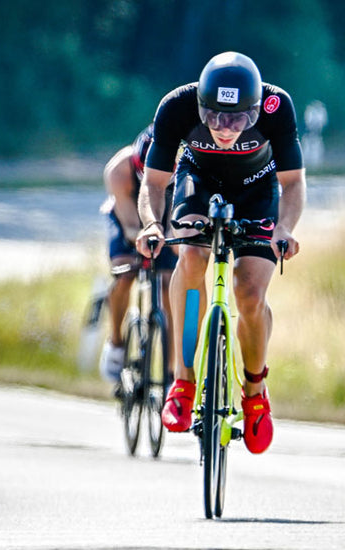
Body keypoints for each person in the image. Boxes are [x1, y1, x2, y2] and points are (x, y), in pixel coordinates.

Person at [136, 51, 305, 454]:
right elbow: (154, 184)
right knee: (192, 258)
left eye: (239, 119)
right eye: (214, 118)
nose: (226, 129)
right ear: (200, 106)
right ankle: (184, 380)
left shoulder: (276, 106)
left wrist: (284, 228)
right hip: (198, 182)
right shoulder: (176, 105)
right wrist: (152, 224)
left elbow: (294, 184)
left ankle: (255, 393)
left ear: (255, 108)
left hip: (257, 192)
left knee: (249, 293)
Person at [98, 125, 178, 382]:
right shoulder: (119, 171)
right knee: (125, 273)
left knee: (170, 286)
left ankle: (172, 373)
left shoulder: (182, 169)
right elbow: (131, 225)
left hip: (165, 218)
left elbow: (179, 224)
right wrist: (146, 238)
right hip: (127, 217)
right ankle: (116, 342)